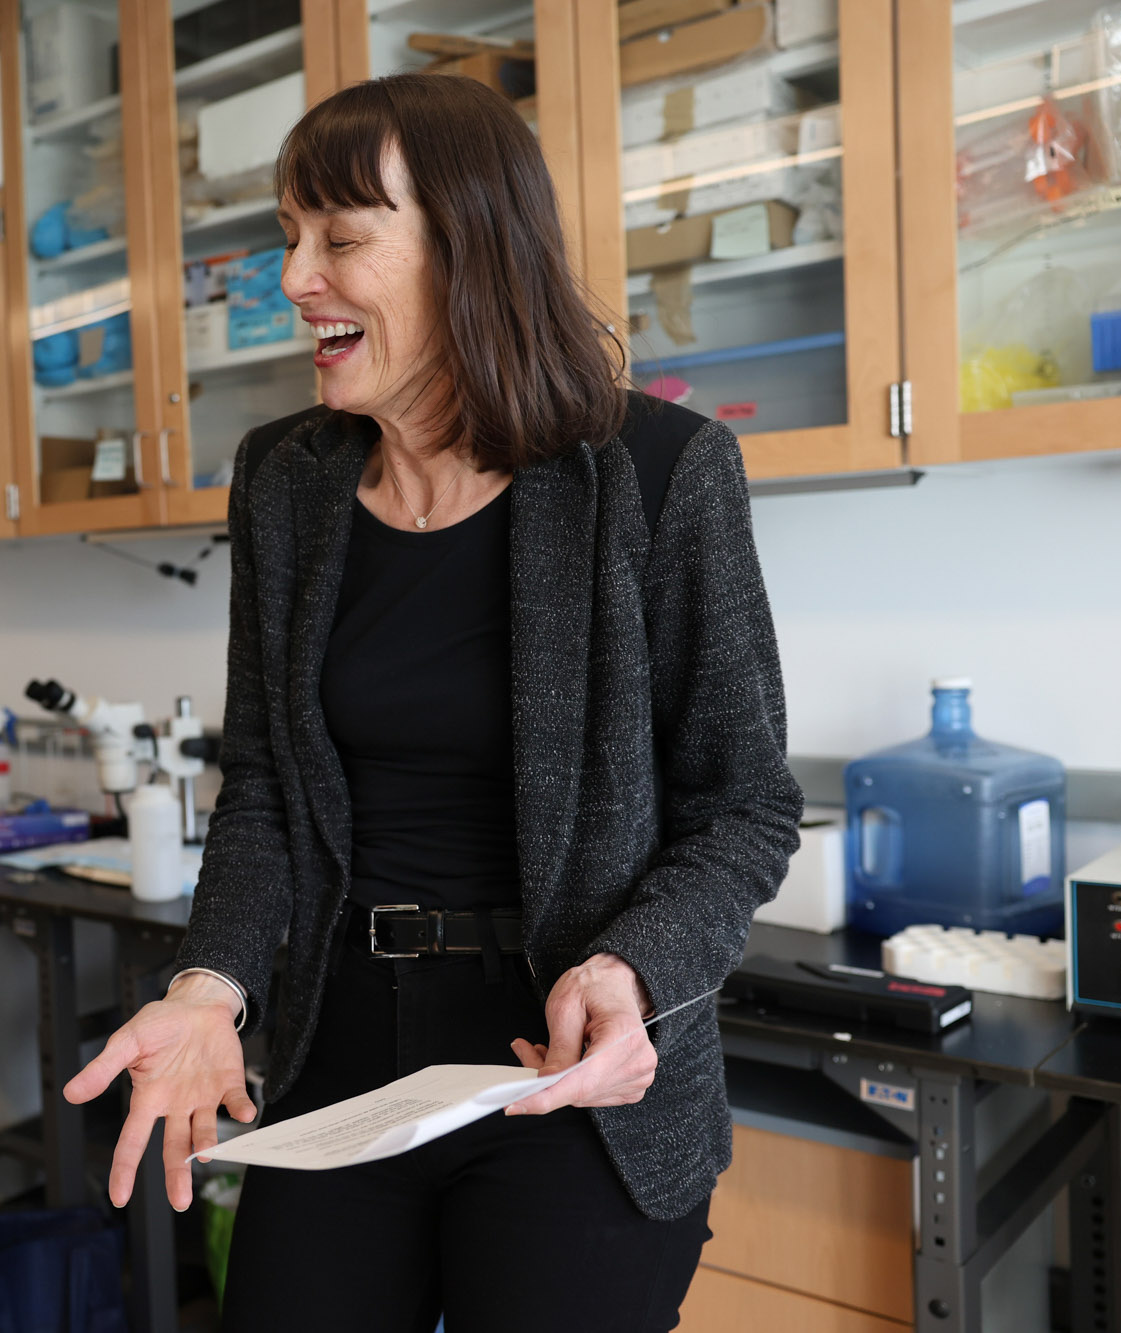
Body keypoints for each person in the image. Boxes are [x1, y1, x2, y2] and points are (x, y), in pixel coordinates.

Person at [63, 75, 804, 1332]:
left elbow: (742, 805)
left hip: (564, 1070)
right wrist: (209, 985)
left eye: (340, 238)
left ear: (470, 247)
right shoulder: (285, 479)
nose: (294, 278)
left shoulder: (655, 471)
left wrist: (634, 968)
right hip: (341, 1051)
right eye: (288, 237)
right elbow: (265, 788)